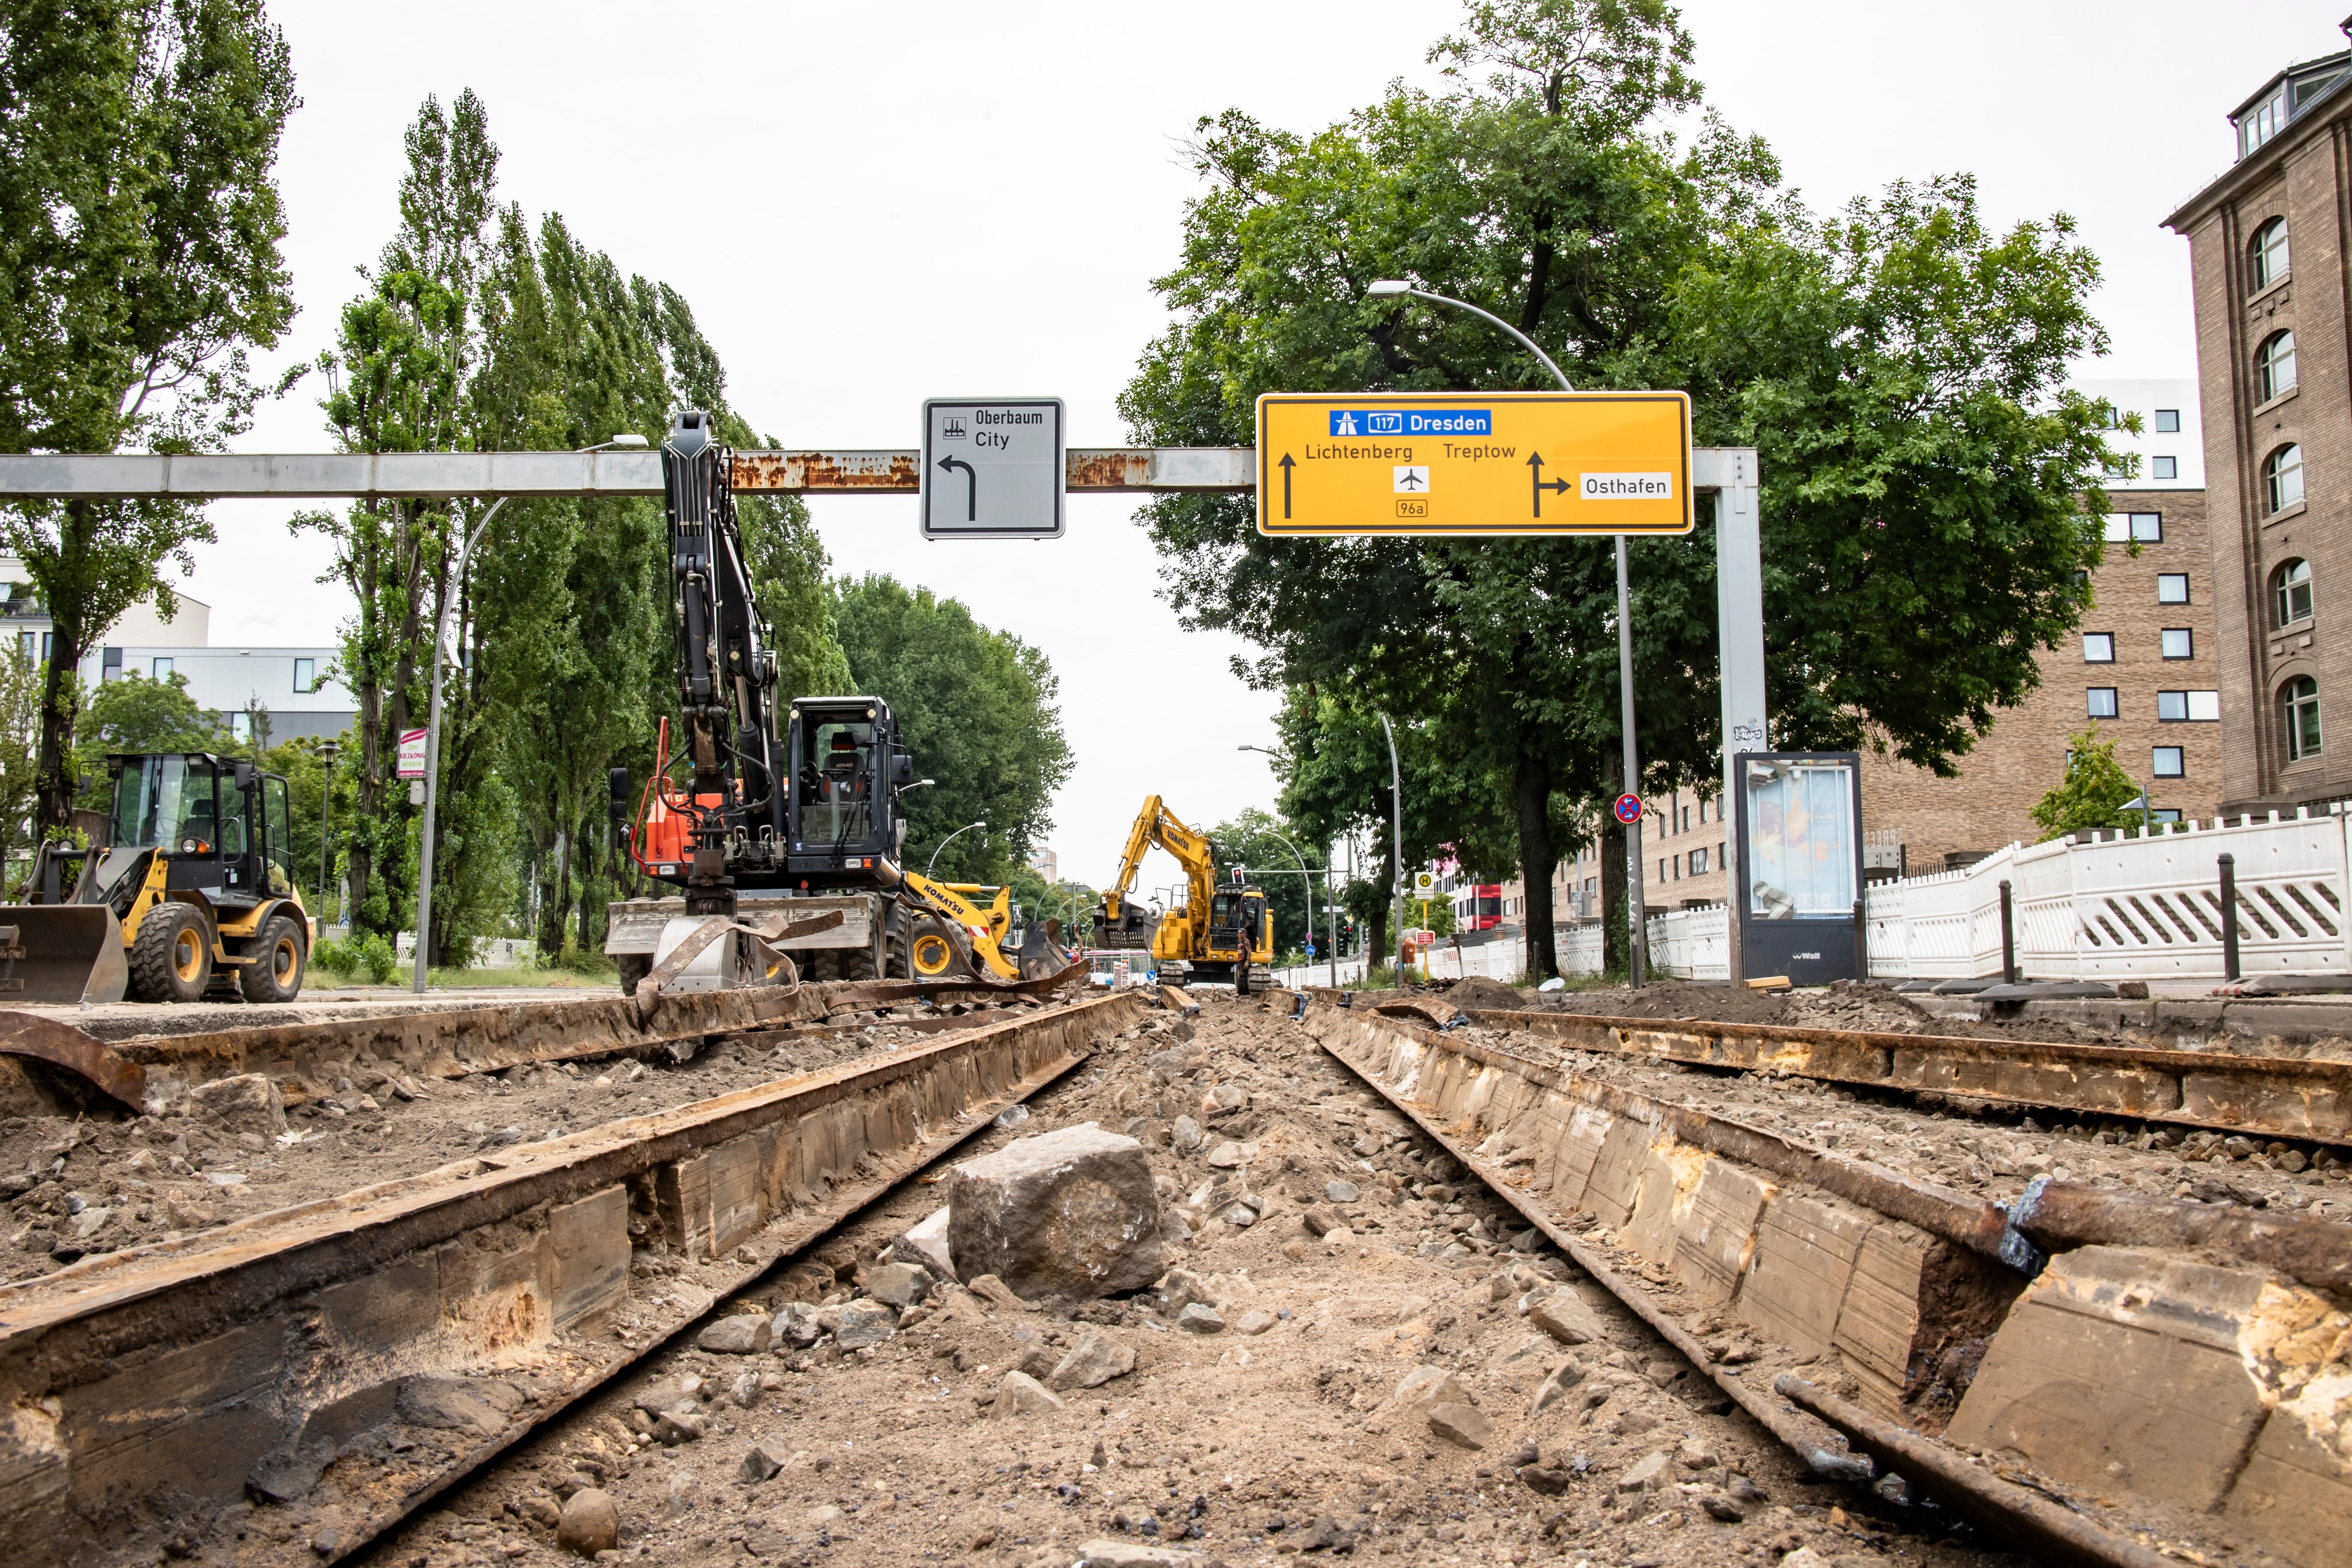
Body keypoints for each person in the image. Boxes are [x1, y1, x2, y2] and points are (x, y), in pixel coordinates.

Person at [1234, 921, 1253, 996]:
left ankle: (1240, 994)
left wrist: (1248, 961)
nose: (1239, 934)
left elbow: (1249, 952)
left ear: (1244, 934)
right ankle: (1246, 994)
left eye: (1241, 933)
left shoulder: (1246, 942)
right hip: (1241, 962)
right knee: (1244, 979)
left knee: (1241, 979)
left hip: (1245, 962)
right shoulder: (1240, 942)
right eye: (1239, 933)